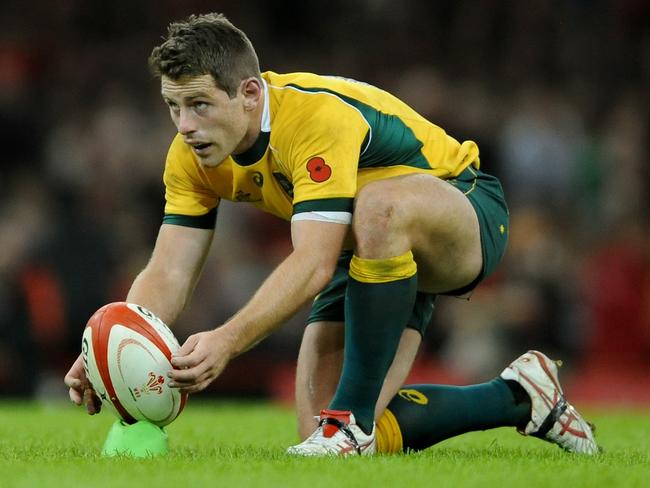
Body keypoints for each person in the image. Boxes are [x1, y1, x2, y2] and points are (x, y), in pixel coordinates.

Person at [64, 13, 598, 456]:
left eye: (200, 104)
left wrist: (227, 340)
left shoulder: (311, 118)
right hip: (366, 250)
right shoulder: (191, 157)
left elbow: (314, 263)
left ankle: (351, 419)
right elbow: (169, 270)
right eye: (173, 106)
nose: (184, 124)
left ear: (249, 93)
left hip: (463, 210)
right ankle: (520, 397)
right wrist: (110, 349)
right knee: (321, 444)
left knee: (379, 206)